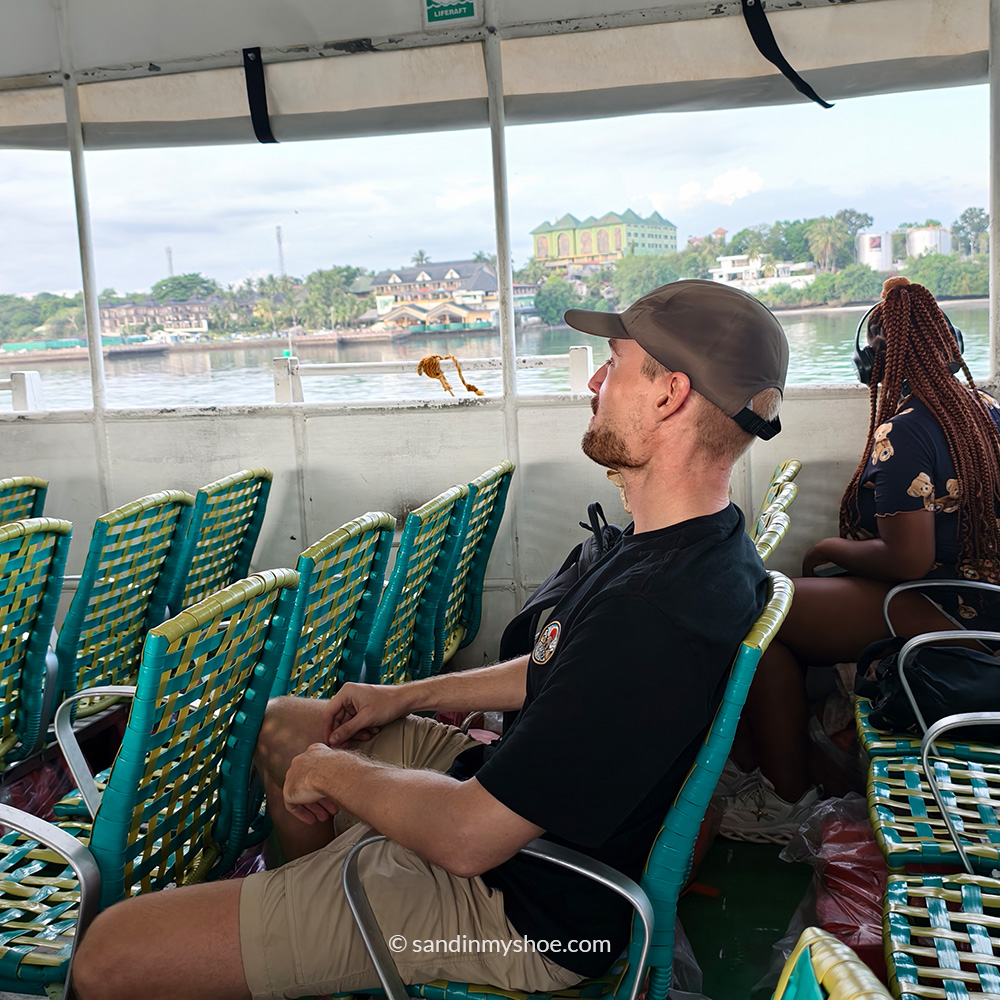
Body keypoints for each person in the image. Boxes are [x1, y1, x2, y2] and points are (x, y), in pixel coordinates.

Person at [71, 279, 788, 1000]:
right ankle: (297, 944)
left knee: (108, 955)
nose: (596, 381)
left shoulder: (653, 611)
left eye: (616, 364)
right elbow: (562, 673)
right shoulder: (697, 547)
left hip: (525, 910)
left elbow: (467, 839)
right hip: (524, 818)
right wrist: (408, 695)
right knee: (291, 726)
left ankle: (301, 931)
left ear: (669, 396)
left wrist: (335, 771)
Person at [726, 276, 1000, 841]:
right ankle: (802, 765)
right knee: (774, 609)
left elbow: (909, 560)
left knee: (758, 611)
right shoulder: (985, 411)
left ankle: (785, 796)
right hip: (982, 603)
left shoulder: (903, 432)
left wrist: (826, 549)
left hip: (945, 610)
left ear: (872, 362)